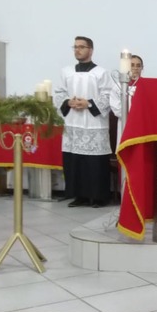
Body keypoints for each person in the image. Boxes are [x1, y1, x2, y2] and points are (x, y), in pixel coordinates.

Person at [54, 36, 118, 208]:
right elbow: (59, 92)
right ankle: (79, 196)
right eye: (75, 47)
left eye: (81, 47)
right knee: (75, 160)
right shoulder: (66, 72)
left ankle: (99, 197)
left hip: (94, 123)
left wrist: (88, 103)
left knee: (94, 163)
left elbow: (108, 95)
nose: (77, 50)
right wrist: (68, 102)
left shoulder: (101, 73)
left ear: (91, 50)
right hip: (73, 123)